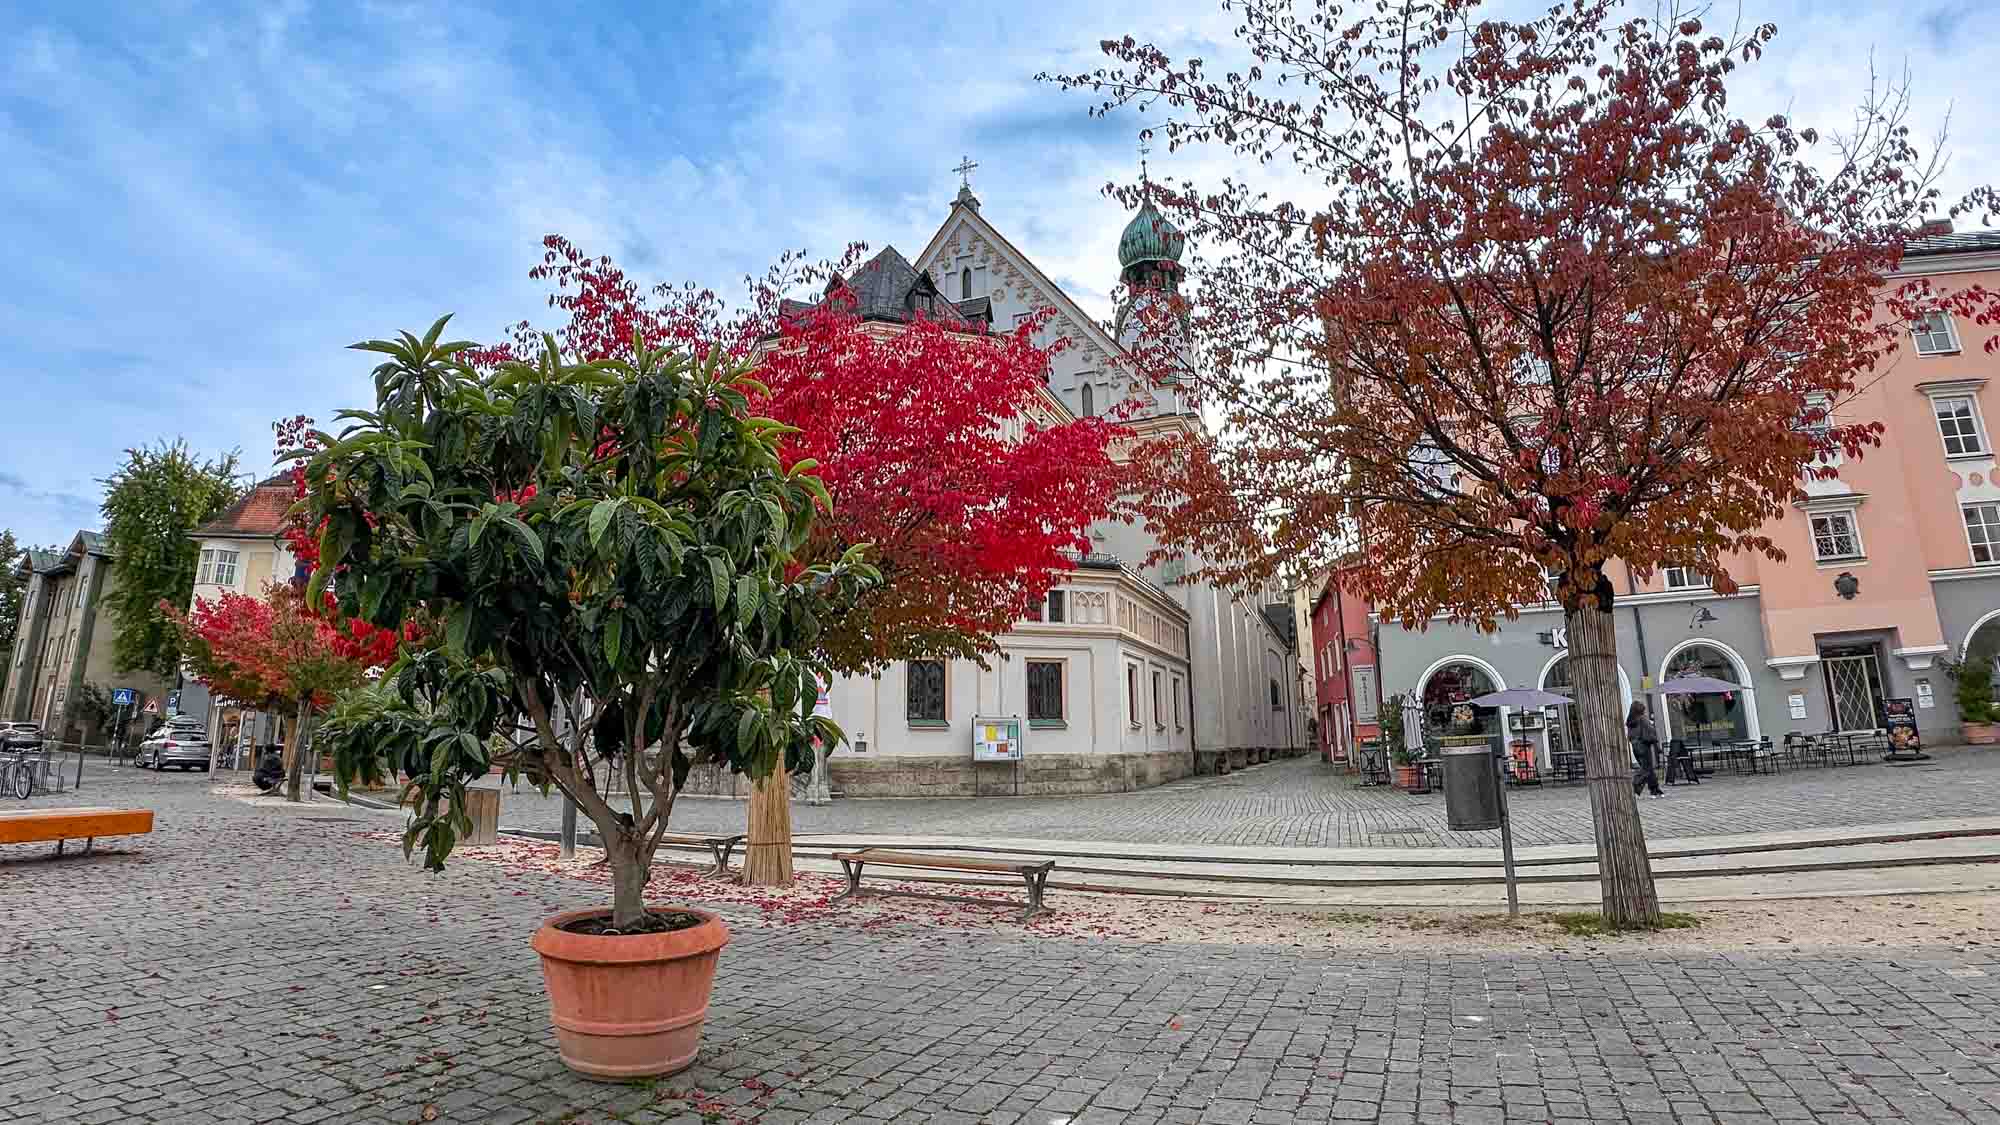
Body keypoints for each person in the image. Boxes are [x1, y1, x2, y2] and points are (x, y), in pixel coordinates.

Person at [1626, 701, 1665, 799]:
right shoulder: (1643, 719)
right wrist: (1656, 745)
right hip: (1644, 746)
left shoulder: (1630, 721)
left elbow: (1630, 736)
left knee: (1649, 769)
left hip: (1636, 748)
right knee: (1646, 769)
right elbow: (1651, 732)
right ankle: (1633, 787)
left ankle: (1655, 789)